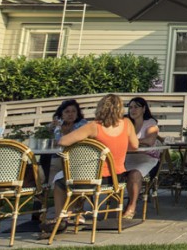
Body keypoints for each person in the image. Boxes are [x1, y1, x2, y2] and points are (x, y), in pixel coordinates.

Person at [44, 94, 138, 235]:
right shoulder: (127, 123)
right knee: (69, 177)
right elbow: (135, 145)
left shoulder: (94, 126)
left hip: (91, 179)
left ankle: (60, 218)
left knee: (60, 181)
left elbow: (63, 141)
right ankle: (74, 212)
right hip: (115, 179)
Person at [123, 97, 160, 219]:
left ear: (144, 109)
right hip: (127, 157)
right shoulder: (126, 122)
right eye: (131, 107)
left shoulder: (150, 123)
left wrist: (133, 141)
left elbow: (150, 140)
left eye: (136, 107)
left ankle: (131, 206)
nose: (133, 110)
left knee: (134, 174)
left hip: (146, 158)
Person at [47, 100, 88, 185]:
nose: (70, 114)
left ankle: (52, 188)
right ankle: (49, 189)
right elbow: (52, 141)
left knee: (54, 163)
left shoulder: (82, 124)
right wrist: (52, 128)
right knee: (47, 161)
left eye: (73, 111)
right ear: (61, 114)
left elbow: (63, 142)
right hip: (58, 155)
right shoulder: (57, 125)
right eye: (67, 111)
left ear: (77, 113)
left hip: (77, 157)